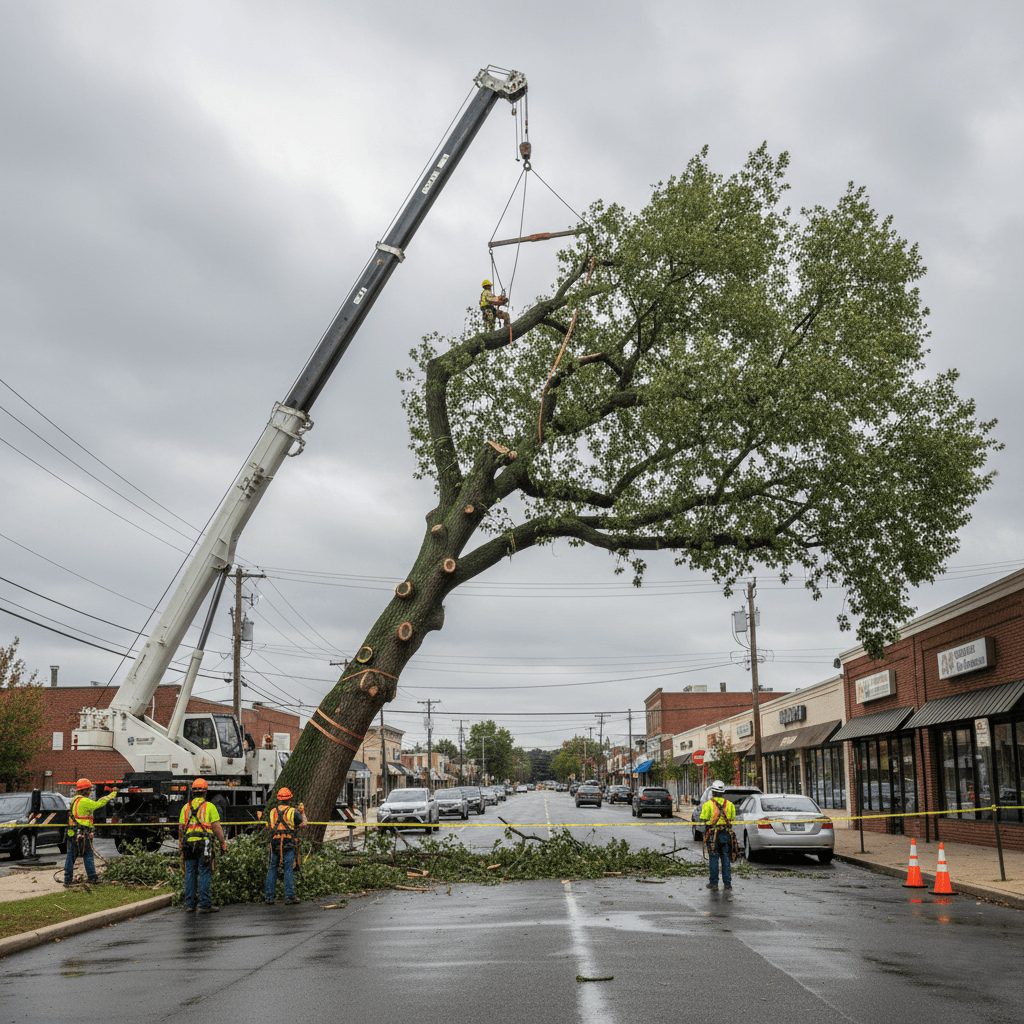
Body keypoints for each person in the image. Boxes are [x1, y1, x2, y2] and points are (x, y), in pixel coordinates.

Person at [178, 777, 227, 914]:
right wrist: (222, 842)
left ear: (193, 792)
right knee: (205, 872)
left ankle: (190, 904)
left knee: (190, 872)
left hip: (188, 843)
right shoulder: (210, 807)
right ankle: (205, 904)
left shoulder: (185, 808)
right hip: (204, 843)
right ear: (205, 792)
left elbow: (181, 828)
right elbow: (216, 827)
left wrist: (181, 844)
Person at [64, 778, 118, 887]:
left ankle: (67, 880)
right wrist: (112, 794)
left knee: (71, 856)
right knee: (88, 855)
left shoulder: (74, 801)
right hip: (82, 833)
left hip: (73, 833)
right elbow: (99, 804)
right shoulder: (85, 801)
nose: (90, 792)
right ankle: (92, 877)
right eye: (89, 790)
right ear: (86, 790)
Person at [264, 787, 306, 906]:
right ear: (290, 799)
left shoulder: (272, 812)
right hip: (288, 842)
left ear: (278, 799)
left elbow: (271, 827)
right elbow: (302, 824)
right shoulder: (294, 812)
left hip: (275, 842)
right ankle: (290, 896)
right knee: (288, 868)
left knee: (273, 868)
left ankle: (269, 897)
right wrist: (302, 812)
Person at [699, 780, 737, 890]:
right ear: (722, 792)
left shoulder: (707, 805)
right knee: (725, 857)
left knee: (714, 858)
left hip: (712, 834)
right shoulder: (730, 805)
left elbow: (703, 820)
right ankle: (727, 883)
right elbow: (732, 819)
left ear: (712, 792)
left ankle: (714, 883)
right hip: (726, 833)